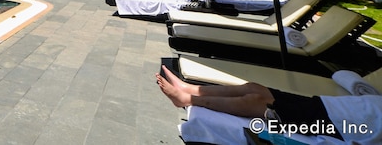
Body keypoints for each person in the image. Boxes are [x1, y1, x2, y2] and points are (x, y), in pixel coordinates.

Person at [156, 65, 382, 142]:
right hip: (332, 106)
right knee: (254, 88)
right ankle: (189, 88)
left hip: (341, 124)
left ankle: (187, 100)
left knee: (258, 102)